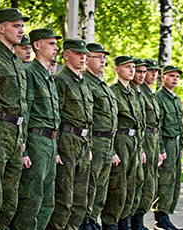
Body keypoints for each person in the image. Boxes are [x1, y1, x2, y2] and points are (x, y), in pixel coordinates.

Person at [10, 28, 62, 230]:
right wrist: (25, 149)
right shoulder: (30, 73)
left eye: (56, 44)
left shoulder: (49, 76)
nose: (56, 47)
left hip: (49, 144)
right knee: (31, 198)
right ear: (37, 46)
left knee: (47, 200)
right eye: (51, 43)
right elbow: (26, 113)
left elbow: (54, 118)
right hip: (35, 141)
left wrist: (55, 149)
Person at [0, 8, 29, 229]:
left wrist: (22, 141)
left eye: (22, 26)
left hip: (15, 134)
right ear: (1, 28)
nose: (21, 30)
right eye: (16, 26)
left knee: (10, 201)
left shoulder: (16, 61)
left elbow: (23, 106)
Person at [47, 38, 93, 230]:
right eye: (78, 54)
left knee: (80, 197)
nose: (83, 57)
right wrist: (56, 147)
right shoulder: (61, 81)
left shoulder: (84, 83)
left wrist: (88, 146)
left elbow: (89, 118)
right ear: (66, 56)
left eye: (85, 55)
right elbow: (55, 115)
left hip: (83, 142)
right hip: (67, 140)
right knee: (64, 195)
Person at [79, 43, 118, 230]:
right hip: (94, 141)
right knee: (90, 185)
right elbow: (87, 118)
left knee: (101, 188)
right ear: (87, 59)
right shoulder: (85, 82)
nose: (103, 61)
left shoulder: (103, 84)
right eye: (98, 57)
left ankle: (93, 219)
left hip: (108, 143)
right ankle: (86, 221)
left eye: (104, 57)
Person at [101, 55, 142, 230]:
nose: (132, 70)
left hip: (133, 141)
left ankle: (125, 219)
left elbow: (140, 122)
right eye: (127, 67)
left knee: (133, 183)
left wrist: (140, 148)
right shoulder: (113, 91)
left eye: (133, 67)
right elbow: (111, 122)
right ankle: (111, 222)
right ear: (117, 69)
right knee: (118, 184)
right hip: (120, 140)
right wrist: (112, 151)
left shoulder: (134, 92)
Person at [131, 58, 163, 230]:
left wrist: (159, 148)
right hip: (143, 139)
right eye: (147, 71)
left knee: (150, 184)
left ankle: (139, 220)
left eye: (155, 71)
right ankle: (134, 221)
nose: (151, 75)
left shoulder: (150, 92)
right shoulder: (139, 91)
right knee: (140, 183)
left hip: (153, 140)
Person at [152, 65, 183, 230]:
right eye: (171, 76)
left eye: (177, 76)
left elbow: (180, 123)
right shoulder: (159, 98)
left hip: (176, 143)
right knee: (165, 180)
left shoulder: (176, 98)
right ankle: (160, 217)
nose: (175, 79)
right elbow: (158, 126)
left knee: (174, 181)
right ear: (163, 77)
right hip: (166, 142)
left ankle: (167, 215)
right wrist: (161, 149)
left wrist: (182, 144)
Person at [129, 58, 148, 230]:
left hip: (137, 142)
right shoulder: (119, 90)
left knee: (139, 182)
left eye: (143, 71)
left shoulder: (138, 92)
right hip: (123, 141)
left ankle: (134, 221)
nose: (141, 75)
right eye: (137, 70)